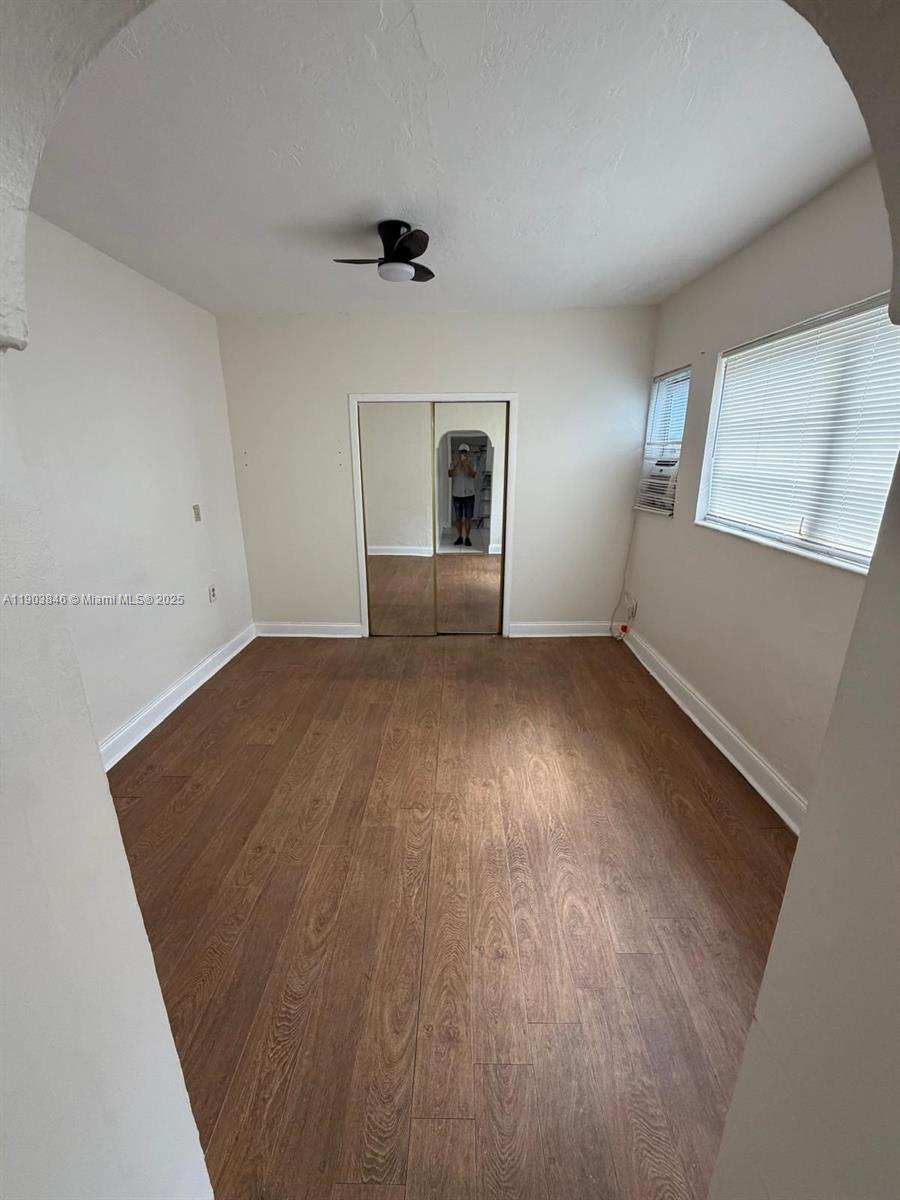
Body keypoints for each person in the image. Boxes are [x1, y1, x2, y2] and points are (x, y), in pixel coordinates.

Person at [448, 442, 476, 546]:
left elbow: (472, 475)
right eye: (461, 452)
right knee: (458, 517)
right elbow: (450, 474)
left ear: (468, 453)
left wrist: (467, 465)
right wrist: (459, 464)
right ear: (458, 452)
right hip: (457, 494)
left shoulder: (472, 462)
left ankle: (467, 538)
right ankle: (460, 537)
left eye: (465, 452)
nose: (463, 454)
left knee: (468, 517)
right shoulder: (453, 462)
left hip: (469, 493)